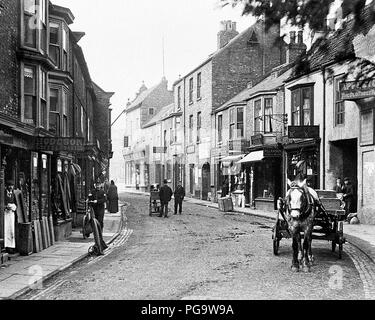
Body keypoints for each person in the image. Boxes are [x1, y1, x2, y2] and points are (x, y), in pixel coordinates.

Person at [4, 180, 17, 254]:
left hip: (11, 213)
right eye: (9, 185)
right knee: (6, 229)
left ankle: (11, 247)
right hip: (5, 213)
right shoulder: (4, 193)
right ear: (7, 186)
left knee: (11, 230)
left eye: (12, 185)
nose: (11, 187)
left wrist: (13, 207)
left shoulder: (13, 194)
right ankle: (6, 246)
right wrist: (6, 207)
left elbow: (16, 203)